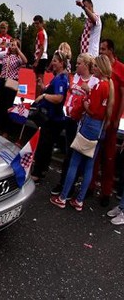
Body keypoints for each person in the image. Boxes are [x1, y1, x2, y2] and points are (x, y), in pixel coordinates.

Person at [51, 54, 112, 211]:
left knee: (74, 162)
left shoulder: (99, 86)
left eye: (97, 66)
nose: (94, 69)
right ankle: (79, 200)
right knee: (89, 166)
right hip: (99, 128)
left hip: (89, 125)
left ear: (102, 68)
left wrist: (85, 103)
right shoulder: (107, 86)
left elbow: (92, 110)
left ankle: (63, 197)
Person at [50, 53, 98, 196]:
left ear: (86, 65)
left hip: (83, 123)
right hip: (70, 120)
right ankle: (64, 184)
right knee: (69, 153)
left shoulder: (94, 81)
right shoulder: (74, 77)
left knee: (77, 156)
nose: (76, 66)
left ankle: (70, 186)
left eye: (79, 63)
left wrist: (88, 91)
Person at [91, 39, 124, 207]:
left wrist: (118, 117)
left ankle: (106, 192)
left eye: (104, 49)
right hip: (97, 119)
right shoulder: (99, 66)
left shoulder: (120, 68)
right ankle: (90, 186)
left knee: (109, 158)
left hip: (111, 122)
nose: (101, 51)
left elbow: (123, 94)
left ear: (111, 50)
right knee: (93, 155)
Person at [31, 50, 70, 182]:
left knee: (44, 146)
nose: (52, 63)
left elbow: (59, 98)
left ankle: (38, 172)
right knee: (45, 146)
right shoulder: (58, 77)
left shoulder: (61, 78)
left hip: (54, 118)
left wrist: (44, 95)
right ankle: (41, 170)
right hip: (53, 117)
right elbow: (50, 90)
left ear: (62, 63)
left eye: (55, 61)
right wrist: (42, 86)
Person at [0, 38, 27, 137]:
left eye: (14, 45)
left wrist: (18, 50)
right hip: (2, 79)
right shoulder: (5, 55)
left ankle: (7, 130)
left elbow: (25, 61)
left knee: (8, 106)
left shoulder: (18, 57)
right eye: (11, 44)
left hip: (12, 81)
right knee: (0, 104)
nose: (12, 47)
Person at [32, 15, 48, 98]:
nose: (36, 25)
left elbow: (41, 47)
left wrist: (37, 61)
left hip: (41, 58)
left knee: (39, 80)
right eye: (35, 24)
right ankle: (39, 99)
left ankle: (38, 99)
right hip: (41, 57)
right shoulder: (41, 32)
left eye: (37, 23)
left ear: (42, 23)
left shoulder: (41, 33)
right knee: (39, 80)